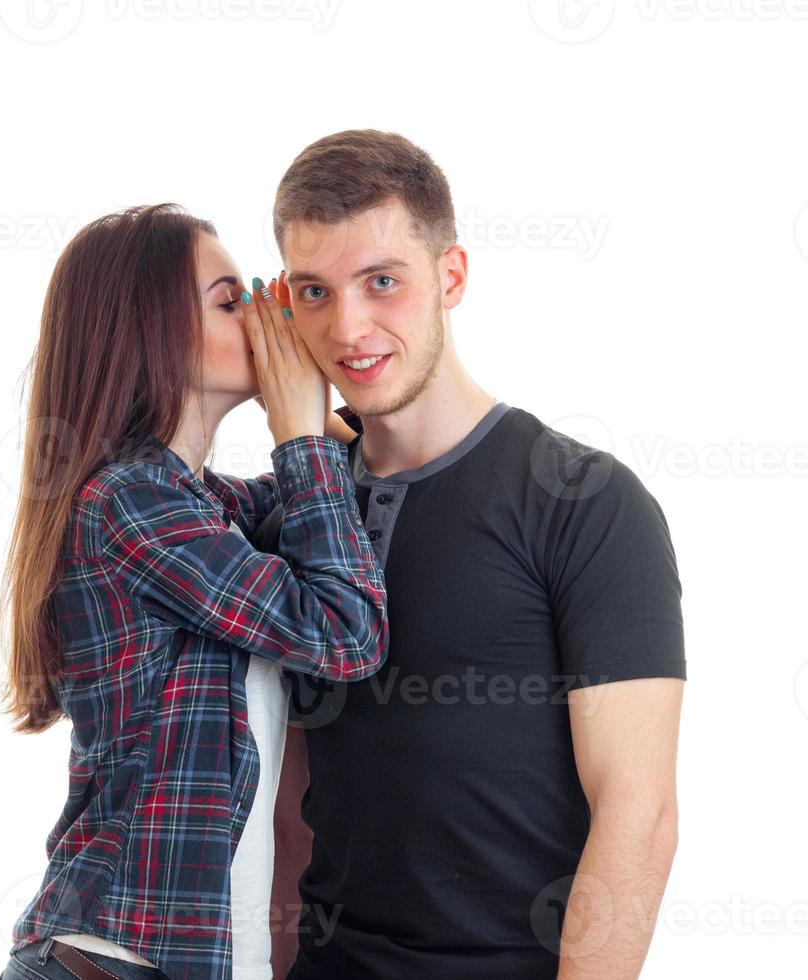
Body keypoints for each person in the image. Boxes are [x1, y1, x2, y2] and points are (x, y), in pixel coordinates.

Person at [258, 131, 687, 980]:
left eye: (383, 281)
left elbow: (638, 815)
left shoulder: (585, 501)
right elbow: (292, 803)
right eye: (315, 291)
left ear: (450, 277)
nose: (349, 327)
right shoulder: (299, 509)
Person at [0, 204, 387, 980]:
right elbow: (348, 632)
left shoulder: (206, 504)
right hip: (113, 962)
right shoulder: (131, 503)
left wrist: (324, 401)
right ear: (154, 331)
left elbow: (321, 506)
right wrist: (300, 428)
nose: (263, 314)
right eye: (230, 298)